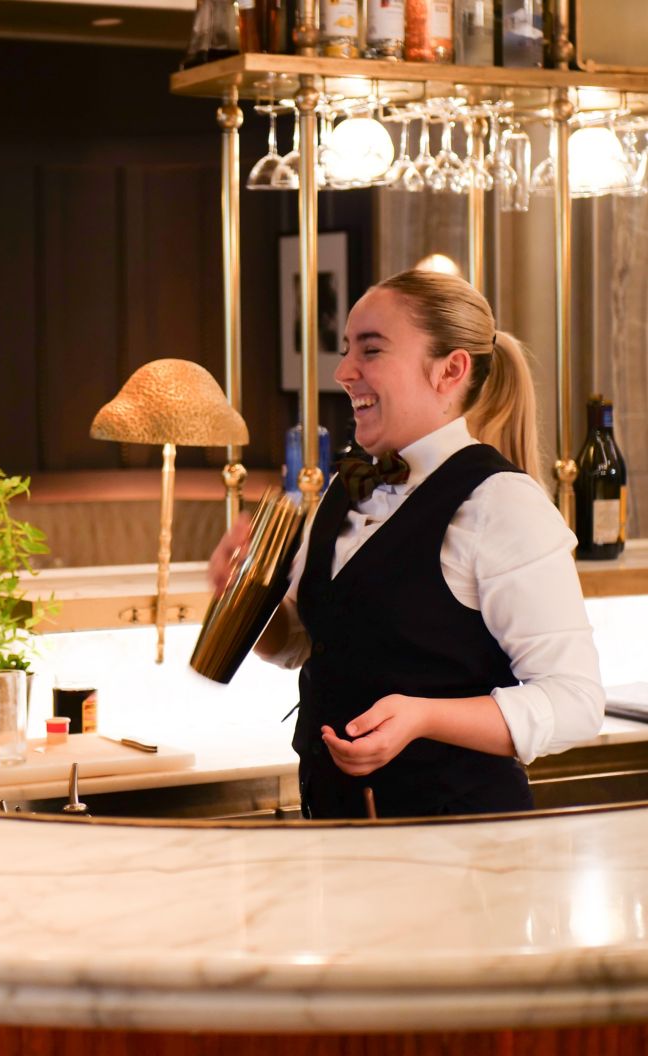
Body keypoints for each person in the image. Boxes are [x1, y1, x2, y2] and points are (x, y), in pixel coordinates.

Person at [209, 270, 604, 819]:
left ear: (450, 370)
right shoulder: (343, 488)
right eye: (347, 349)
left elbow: (575, 702)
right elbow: (304, 645)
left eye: (370, 350)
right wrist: (246, 594)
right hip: (337, 832)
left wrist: (424, 716)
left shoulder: (501, 505)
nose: (344, 371)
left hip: (461, 850)